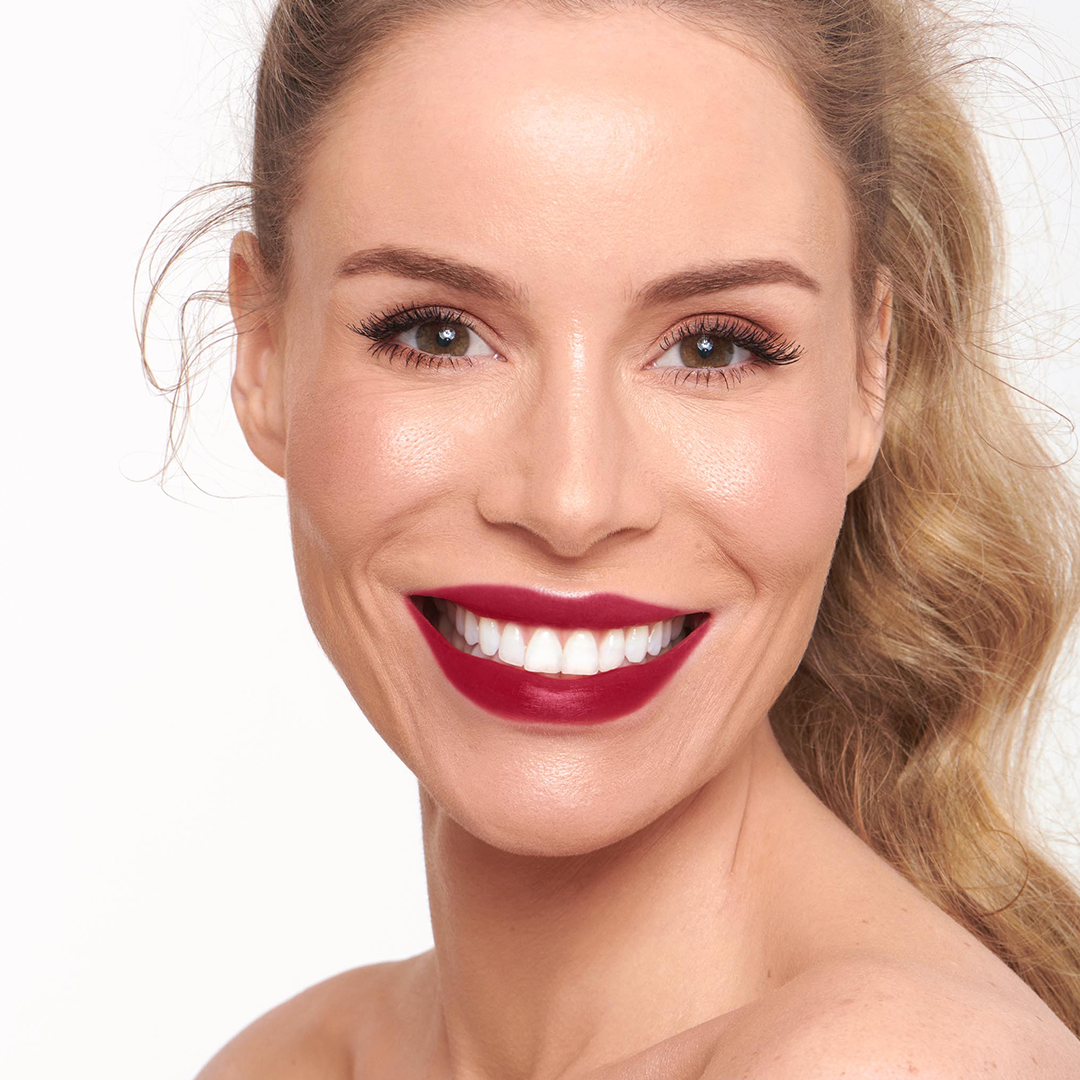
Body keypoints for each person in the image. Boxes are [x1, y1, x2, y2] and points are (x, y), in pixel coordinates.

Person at [137, 0, 1080, 1076]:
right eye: (438, 333)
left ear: (871, 377)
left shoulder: (886, 1060)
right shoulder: (289, 1062)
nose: (571, 501)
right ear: (263, 351)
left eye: (713, 347)